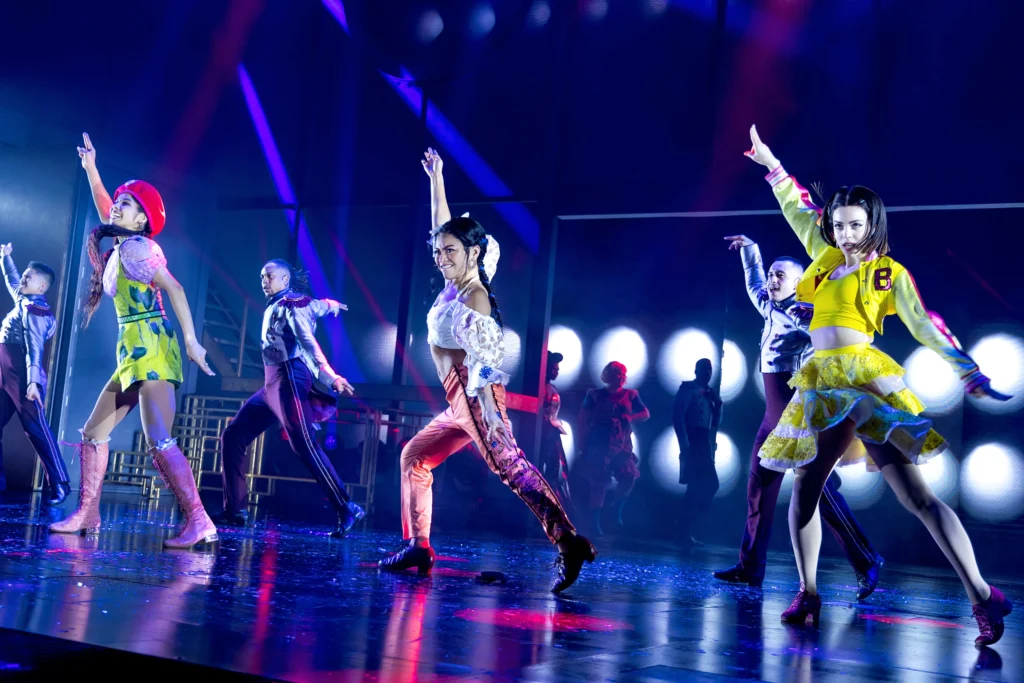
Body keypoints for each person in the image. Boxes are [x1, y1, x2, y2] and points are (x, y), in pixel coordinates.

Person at [744, 124, 1012, 645]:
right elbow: (798, 209)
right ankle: (810, 593)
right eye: (838, 225)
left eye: (854, 225)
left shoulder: (889, 273)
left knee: (918, 498)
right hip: (821, 382)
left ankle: (982, 594)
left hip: (863, 382)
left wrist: (967, 370)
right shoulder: (820, 261)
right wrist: (771, 163)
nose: (844, 234)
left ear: (872, 225)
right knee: (805, 487)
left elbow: (924, 323)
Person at [379, 148, 595, 594]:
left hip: (474, 397)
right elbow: (442, 226)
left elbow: (485, 363)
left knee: (510, 467)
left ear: (473, 252)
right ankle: (419, 545)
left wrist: (491, 414)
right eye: (438, 252)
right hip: (457, 401)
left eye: (450, 252)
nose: (441, 258)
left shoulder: (472, 296)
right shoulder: (456, 280)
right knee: (414, 457)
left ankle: (570, 542)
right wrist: (437, 178)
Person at [50, 133, 218, 549]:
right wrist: (91, 170)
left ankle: (200, 521)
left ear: (141, 221)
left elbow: (176, 290)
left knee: (159, 438)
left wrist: (193, 343)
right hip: (133, 351)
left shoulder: (139, 249)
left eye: (127, 205)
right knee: (93, 432)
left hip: (154, 348)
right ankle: (88, 513)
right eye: (120, 202)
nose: (117, 207)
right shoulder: (123, 245)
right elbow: (106, 205)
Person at [712, 235, 883, 598]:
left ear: (798, 283)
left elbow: (836, 338)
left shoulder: (801, 313)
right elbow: (754, 281)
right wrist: (750, 249)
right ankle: (750, 567)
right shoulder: (768, 306)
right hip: (770, 419)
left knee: (821, 494)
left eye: (781, 277)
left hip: (796, 417)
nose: (773, 281)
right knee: (759, 488)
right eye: (772, 275)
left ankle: (867, 558)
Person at [218, 259, 364, 538]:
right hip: (271, 384)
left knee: (304, 444)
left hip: (289, 378)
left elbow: (309, 343)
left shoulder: (291, 303)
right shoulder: (287, 302)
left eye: (269, 276)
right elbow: (319, 306)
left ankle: (346, 506)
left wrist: (331, 377)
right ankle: (235, 509)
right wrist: (330, 305)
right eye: (262, 276)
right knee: (233, 435)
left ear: (285, 281)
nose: (264, 280)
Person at [0, 245, 69, 504]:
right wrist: (6, 258)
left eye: (29, 277)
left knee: (37, 430)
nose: (23, 280)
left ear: (41, 287)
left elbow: (34, 347)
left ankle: (60, 484)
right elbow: (12, 280)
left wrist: (33, 382)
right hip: (3, 369)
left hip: (21, 373)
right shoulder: (24, 300)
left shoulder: (35, 310)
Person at [574, 361, 649, 535]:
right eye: (617, 373)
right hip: (599, 443)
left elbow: (645, 413)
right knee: (598, 483)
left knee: (628, 476)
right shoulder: (595, 395)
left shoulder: (631, 395)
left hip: (622, 444)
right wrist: (582, 440)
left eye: (623, 374)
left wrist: (631, 417)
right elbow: (582, 417)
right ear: (608, 375)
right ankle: (595, 522)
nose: (621, 377)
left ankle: (617, 508)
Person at [673, 359, 722, 546]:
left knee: (706, 485)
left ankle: (684, 527)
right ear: (696, 370)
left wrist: (718, 407)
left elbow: (715, 424)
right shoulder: (687, 389)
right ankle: (683, 529)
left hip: (704, 440)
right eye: (703, 369)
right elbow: (678, 418)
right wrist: (684, 444)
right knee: (699, 485)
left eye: (709, 369)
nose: (707, 372)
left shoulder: (710, 394)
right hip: (692, 439)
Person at [537, 350, 572, 510]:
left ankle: (552, 503)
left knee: (553, 470)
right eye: (553, 368)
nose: (556, 371)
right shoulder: (539, 387)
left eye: (557, 369)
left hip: (552, 433)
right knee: (541, 466)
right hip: (542, 433)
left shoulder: (551, 387)